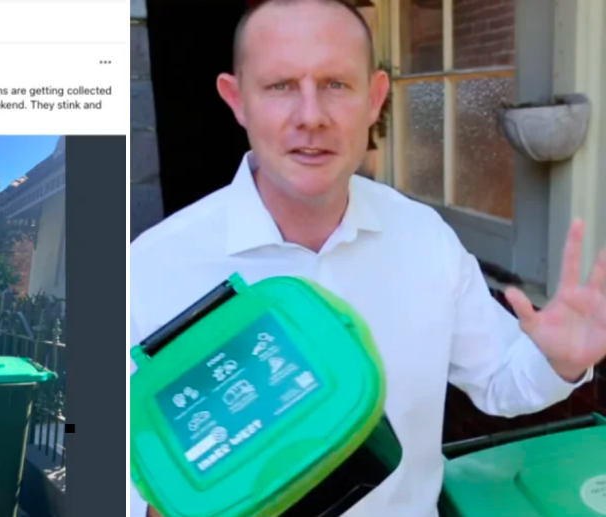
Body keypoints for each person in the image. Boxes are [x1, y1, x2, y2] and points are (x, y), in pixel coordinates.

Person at [128, 0, 606, 516]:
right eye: (280, 86)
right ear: (236, 99)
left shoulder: (424, 238)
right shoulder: (150, 269)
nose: (310, 116)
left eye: (336, 84)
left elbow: (500, 381)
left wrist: (560, 360)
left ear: (375, 96)